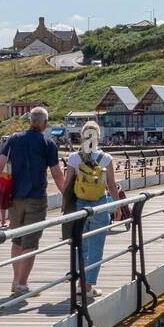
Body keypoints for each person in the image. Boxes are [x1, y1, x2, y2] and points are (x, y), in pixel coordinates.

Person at [0, 107, 66, 300]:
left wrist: (0, 187)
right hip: (36, 198)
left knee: (17, 240)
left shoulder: (13, 139)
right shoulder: (48, 143)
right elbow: (56, 173)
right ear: (45, 123)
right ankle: (22, 284)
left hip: (14, 198)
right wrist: (65, 194)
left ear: (30, 121)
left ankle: (16, 280)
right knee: (31, 243)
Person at [63, 121, 120, 299]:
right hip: (100, 204)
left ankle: (81, 284)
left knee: (81, 246)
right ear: (98, 137)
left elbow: (67, 185)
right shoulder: (105, 158)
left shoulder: (74, 157)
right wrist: (117, 206)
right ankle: (88, 287)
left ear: (81, 136)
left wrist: (65, 207)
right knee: (96, 247)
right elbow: (111, 185)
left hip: (80, 205)